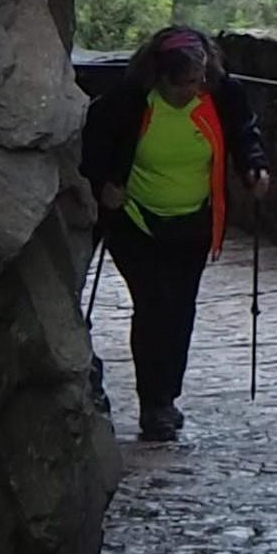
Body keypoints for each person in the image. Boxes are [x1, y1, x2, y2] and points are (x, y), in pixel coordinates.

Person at [77, 24, 261, 442]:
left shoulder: (222, 93)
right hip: (136, 220)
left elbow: (244, 132)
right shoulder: (129, 99)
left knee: (179, 309)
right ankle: (154, 404)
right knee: (152, 304)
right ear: (159, 77)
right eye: (181, 85)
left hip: (195, 220)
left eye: (197, 81)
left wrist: (254, 165)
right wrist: (105, 182)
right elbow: (96, 144)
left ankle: (165, 396)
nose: (191, 91)